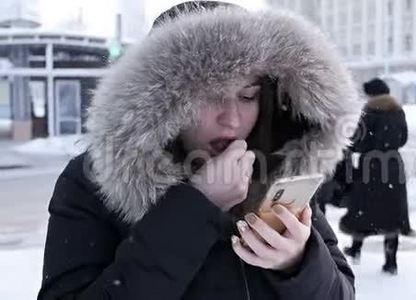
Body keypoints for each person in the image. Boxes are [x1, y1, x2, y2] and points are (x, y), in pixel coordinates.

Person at [38, 2, 363, 299]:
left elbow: (341, 294)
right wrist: (195, 208)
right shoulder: (93, 181)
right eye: (210, 96)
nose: (232, 119)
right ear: (162, 101)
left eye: (248, 96)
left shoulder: (280, 165)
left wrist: (299, 262)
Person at [339, 78, 414, 275]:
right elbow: (403, 138)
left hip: (370, 167)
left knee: (363, 208)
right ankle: (391, 262)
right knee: (392, 213)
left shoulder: (370, 111)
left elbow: (357, 140)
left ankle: (355, 250)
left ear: (371, 94)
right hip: (392, 166)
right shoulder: (398, 110)